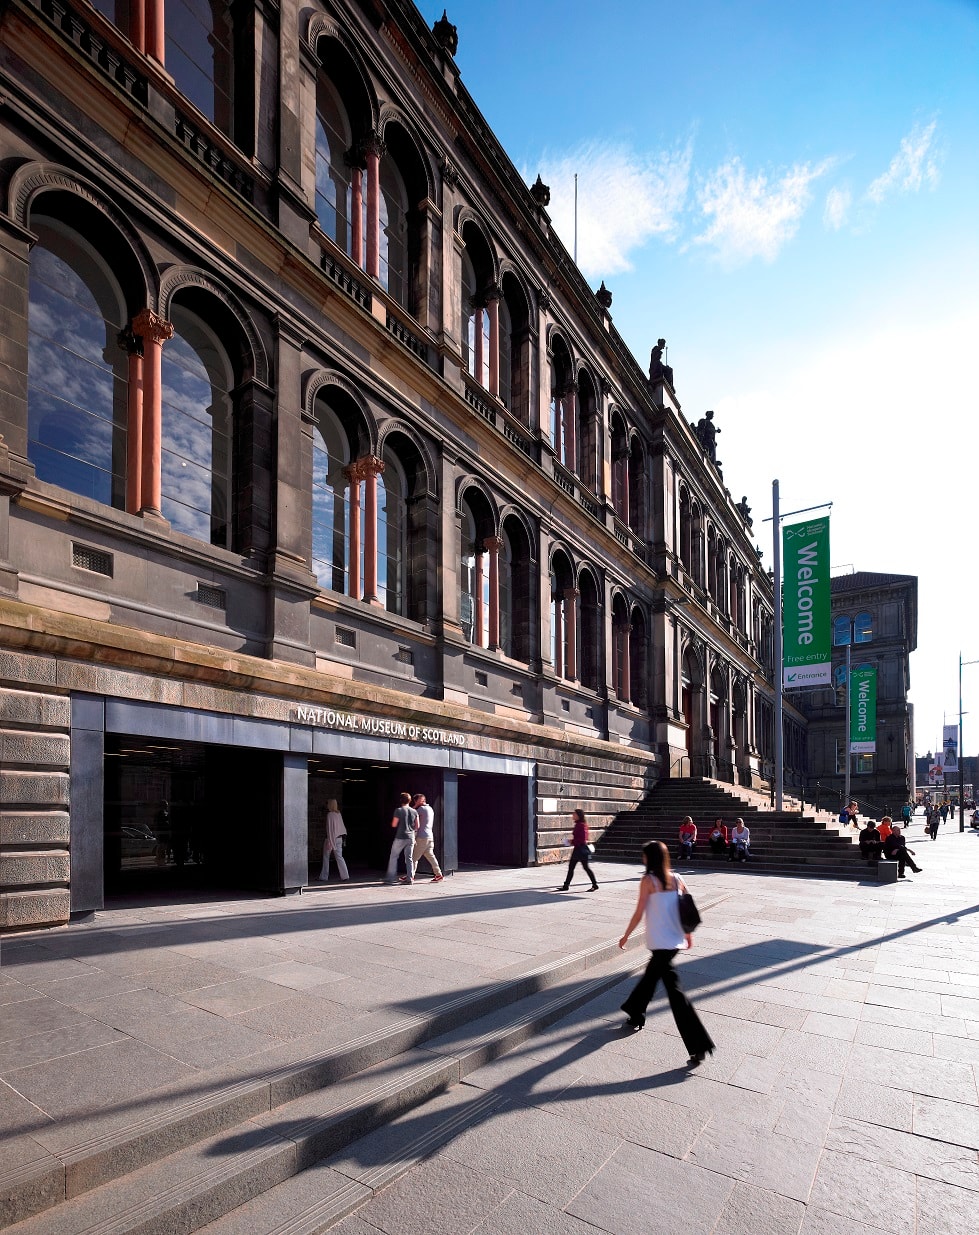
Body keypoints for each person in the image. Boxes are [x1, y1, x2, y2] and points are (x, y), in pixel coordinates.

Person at [618, 841, 715, 1067]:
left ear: (649, 859)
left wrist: (625, 935)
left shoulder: (648, 881)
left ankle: (698, 1044)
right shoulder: (678, 879)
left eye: (644, 856)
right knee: (652, 977)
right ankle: (635, 1011)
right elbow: (687, 908)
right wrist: (688, 933)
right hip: (673, 942)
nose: (642, 859)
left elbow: (639, 911)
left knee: (675, 992)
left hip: (660, 942)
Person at [560, 808, 599, 891]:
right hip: (578, 849)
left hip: (581, 849)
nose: (572, 815)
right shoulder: (578, 824)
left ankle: (595, 884)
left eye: (574, 814)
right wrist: (572, 841)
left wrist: (571, 841)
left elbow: (583, 838)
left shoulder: (582, 825)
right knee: (572, 867)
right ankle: (566, 885)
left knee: (585, 867)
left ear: (578, 815)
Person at [385, 792, 418, 885]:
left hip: (400, 836)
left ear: (401, 800)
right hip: (411, 837)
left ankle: (391, 878)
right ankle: (410, 878)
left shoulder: (398, 810)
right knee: (409, 858)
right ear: (410, 800)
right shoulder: (414, 811)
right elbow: (417, 825)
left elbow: (394, 824)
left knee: (394, 856)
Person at [411, 793, 444, 882]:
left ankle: (410, 876)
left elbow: (411, 814)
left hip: (422, 837)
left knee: (413, 858)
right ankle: (438, 874)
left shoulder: (421, 809)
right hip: (429, 836)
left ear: (416, 800)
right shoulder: (430, 808)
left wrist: (416, 805)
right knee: (431, 856)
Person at [319, 798, 349, 882]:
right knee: (339, 857)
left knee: (326, 857)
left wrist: (330, 841)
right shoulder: (338, 814)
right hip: (339, 838)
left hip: (330, 839)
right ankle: (345, 875)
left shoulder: (330, 815)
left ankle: (324, 876)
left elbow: (330, 830)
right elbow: (342, 828)